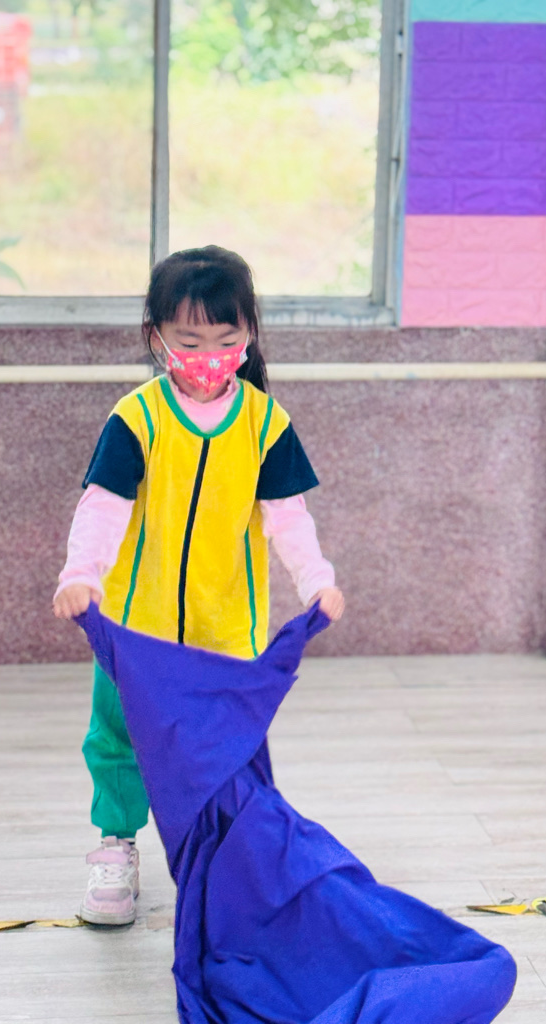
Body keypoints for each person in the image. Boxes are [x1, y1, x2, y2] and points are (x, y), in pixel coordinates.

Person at [53, 245, 344, 926]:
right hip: (138, 625)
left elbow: (287, 517)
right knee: (119, 737)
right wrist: (81, 575)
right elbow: (103, 506)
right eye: (189, 341)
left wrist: (317, 581)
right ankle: (116, 847)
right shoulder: (137, 418)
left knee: (224, 750)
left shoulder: (265, 423)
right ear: (156, 337)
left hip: (226, 631)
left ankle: (224, 861)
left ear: (249, 335)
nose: (208, 355)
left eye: (225, 338)